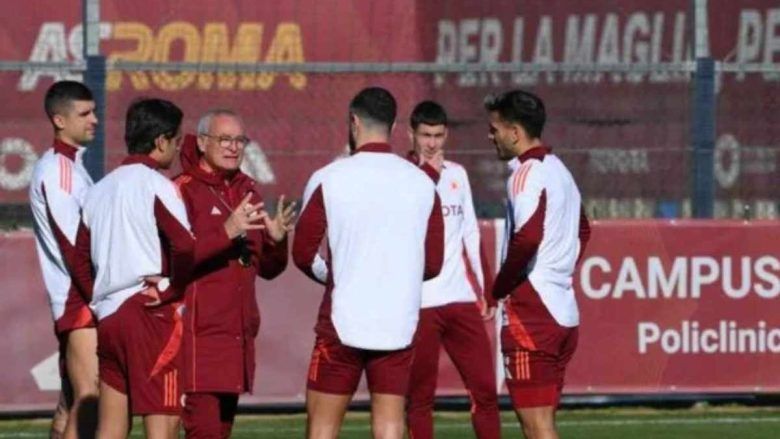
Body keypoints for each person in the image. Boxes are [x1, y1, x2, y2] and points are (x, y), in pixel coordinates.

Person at [75, 98, 264, 439]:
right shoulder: (158, 185)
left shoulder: (98, 189)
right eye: (177, 142)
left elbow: (78, 259)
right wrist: (171, 289)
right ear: (161, 141)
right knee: (163, 422)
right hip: (147, 313)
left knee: (111, 424)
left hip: (109, 314)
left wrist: (97, 300)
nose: (179, 151)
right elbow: (185, 246)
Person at [292, 87, 445, 439]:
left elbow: (302, 252)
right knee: (390, 421)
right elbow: (434, 263)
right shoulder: (422, 182)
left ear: (354, 121)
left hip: (341, 320)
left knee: (322, 425)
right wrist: (397, 278)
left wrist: (334, 275)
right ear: (394, 126)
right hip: (397, 319)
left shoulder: (329, 177)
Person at [173, 109, 295, 438]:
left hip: (236, 339)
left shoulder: (247, 192)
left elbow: (265, 269)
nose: (233, 147)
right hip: (198, 340)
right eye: (224, 139)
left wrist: (277, 243)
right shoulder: (181, 191)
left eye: (239, 140)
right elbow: (173, 261)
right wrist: (225, 231)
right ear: (201, 142)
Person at [484, 90, 591, 439]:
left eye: (495, 128)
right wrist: (559, 270)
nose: (491, 136)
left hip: (532, 314)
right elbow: (583, 229)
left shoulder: (526, 174)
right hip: (562, 311)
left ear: (515, 132)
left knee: (537, 427)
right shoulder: (561, 171)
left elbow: (527, 238)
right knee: (542, 425)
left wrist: (499, 289)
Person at [404, 101, 501, 439]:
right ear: (411, 135)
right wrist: (430, 172)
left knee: (486, 390)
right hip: (420, 303)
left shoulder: (457, 174)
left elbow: (470, 232)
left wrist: (486, 288)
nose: (432, 143)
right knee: (420, 398)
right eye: (425, 135)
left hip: (459, 298)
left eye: (439, 135)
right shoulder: (402, 175)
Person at [29, 80, 99, 439]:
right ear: (59, 119)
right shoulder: (57, 172)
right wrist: (99, 298)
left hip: (79, 297)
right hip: (79, 300)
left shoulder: (71, 166)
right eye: (85, 113)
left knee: (70, 402)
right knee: (91, 399)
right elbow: (74, 248)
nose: (95, 120)